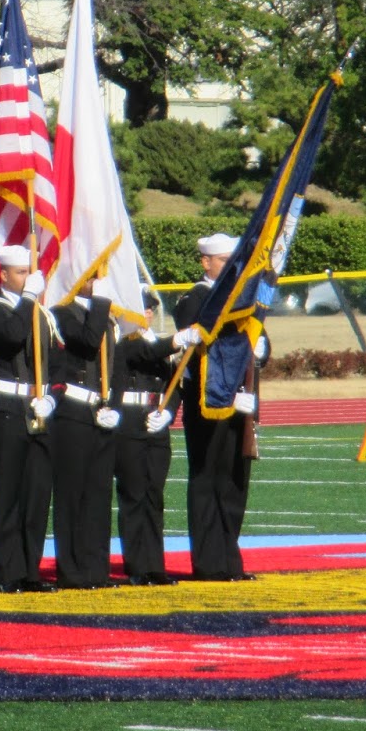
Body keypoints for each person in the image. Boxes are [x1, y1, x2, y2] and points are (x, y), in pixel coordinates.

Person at [172, 233, 266, 582]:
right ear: (206, 263)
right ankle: (209, 562)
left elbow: (260, 340)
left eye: (233, 261)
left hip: (239, 401)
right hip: (207, 403)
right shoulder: (194, 299)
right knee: (207, 479)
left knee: (234, 482)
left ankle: (230, 559)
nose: (230, 267)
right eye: (224, 261)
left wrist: (260, 348)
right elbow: (201, 336)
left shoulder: (243, 298)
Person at [0, 245, 57, 593]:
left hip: (38, 408)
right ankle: (4, 571)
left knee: (36, 496)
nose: (26, 278)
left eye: (29, 273)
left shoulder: (39, 312)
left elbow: (56, 360)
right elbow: (10, 336)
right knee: (8, 494)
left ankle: (29, 571)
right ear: (4, 275)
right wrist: (29, 298)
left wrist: (52, 396)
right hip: (7, 410)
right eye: (20, 273)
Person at [111, 289, 197, 585]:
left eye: (149, 310)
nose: (146, 314)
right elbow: (146, 354)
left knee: (153, 496)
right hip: (130, 421)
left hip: (155, 422)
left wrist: (169, 412)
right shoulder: (122, 342)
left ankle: (154, 565)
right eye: (141, 309)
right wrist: (178, 340)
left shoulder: (158, 345)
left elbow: (176, 383)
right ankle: (137, 566)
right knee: (133, 495)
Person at [47, 277, 118, 589]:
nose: (96, 281)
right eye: (91, 276)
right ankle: (72, 570)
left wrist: (114, 405)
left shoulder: (109, 318)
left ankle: (96, 568)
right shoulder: (62, 314)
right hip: (72, 412)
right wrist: (101, 303)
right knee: (72, 494)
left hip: (101, 412)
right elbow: (88, 341)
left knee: (99, 495)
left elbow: (117, 364)